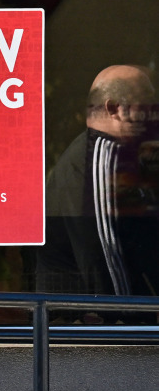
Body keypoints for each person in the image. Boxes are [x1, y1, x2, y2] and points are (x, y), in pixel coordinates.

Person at [37, 65, 159, 310]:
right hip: (111, 334)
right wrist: (132, 323)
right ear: (115, 108)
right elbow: (106, 256)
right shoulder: (101, 157)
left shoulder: (105, 157)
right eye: (147, 105)